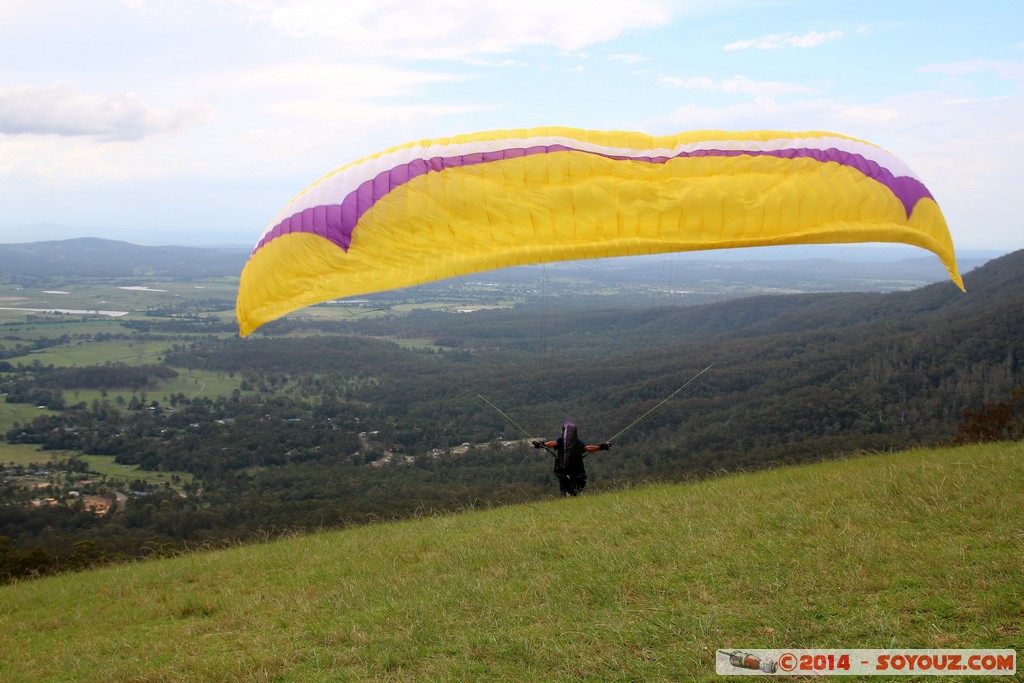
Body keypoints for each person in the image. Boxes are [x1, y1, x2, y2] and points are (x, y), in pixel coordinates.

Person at [532, 421, 609, 497]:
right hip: (576, 469)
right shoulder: (577, 442)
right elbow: (587, 448)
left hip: (563, 468)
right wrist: (600, 447)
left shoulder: (561, 440)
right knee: (574, 487)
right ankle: (572, 495)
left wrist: (543, 444)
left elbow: (553, 443)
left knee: (564, 486)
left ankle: (566, 497)